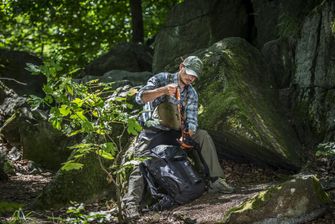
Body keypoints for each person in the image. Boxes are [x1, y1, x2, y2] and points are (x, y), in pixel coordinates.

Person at [122, 56, 234, 219]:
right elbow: (140, 98)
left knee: (203, 136)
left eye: (195, 76)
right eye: (189, 73)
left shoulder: (191, 92)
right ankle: (131, 204)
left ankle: (216, 181)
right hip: (152, 131)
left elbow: (192, 119)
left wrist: (188, 132)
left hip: (176, 133)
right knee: (140, 161)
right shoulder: (161, 78)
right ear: (181, 66)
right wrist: (163, 90)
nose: (191, 78)